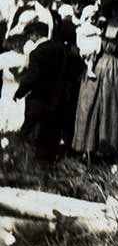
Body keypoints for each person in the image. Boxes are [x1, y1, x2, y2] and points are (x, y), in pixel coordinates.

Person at [71, 19, 118, 162]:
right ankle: (88, 148)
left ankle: (108, 150)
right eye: (115, 11)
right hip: (96, 65)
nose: (117, 14)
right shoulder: (99, 26)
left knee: (110, 106)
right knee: (89, 104)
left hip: (113, 69)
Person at [14, 20, 68, 161]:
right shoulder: (61, 48)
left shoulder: (36, 53)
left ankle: (24, 155)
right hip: (59, 97)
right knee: (53, 130)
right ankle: (51, 159)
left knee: (34, 129)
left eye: (29, 35)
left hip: (41, 98)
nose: (29, 39)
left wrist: (20, 92)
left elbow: (33, 77)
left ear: (35, 35)